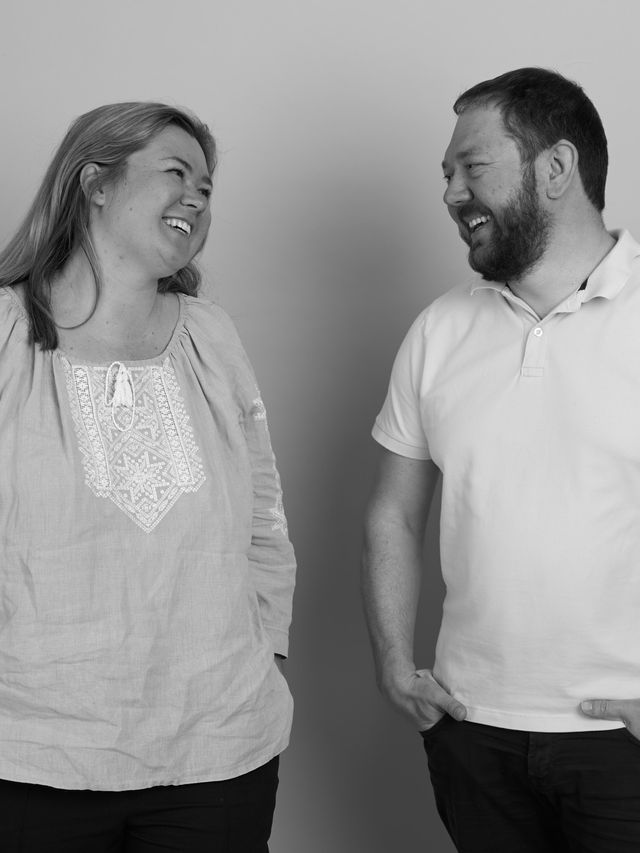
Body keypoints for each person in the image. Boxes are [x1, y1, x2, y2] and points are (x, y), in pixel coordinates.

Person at [0, 102, 296, 852]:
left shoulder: (210, 335)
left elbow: (264, 515)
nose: (197, 197)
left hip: (217, 753)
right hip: (30, 752)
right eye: (176, 172)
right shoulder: (5, 334)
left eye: (207, 186)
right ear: (95, 182)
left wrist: (266, 651)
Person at [361, 67, 640, 852]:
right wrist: (395, 661)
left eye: (472, 167)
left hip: (621, 743)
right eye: (446, 174)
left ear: (556, 167)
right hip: (471, 732)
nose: (451, 193)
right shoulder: (439, 330)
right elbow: (393, 511)